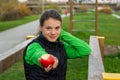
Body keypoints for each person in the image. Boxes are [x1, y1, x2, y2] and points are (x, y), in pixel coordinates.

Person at [23, 9, 91, 80]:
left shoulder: (62, 47)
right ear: (41, 28)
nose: (53, 32)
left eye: (57, 28)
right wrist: (47, 58)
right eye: (48, 28)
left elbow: (85, 50)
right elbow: (38, 54)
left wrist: (62, 34)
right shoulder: (33, 46)